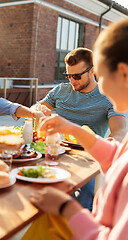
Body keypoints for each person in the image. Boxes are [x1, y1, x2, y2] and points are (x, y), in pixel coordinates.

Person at [29, 18, 128, 239]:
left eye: (101, 76)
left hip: (83, 166)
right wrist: (71, 128)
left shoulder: (106, 101)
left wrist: (67, 208)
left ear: (123, 73)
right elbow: (117, 156)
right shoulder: (61, 90)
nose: (101, 87)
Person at [38, 47, 126, 211]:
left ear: (92, 71)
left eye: (77, 76)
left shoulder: (107, 95)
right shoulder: (60, 90)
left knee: (82, 198)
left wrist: (110, 145)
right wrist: (39, 110)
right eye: (68, 76)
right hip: (53, 150)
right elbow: (36, 108)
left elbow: (119, 130)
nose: (72, 81)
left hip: (87, 157)